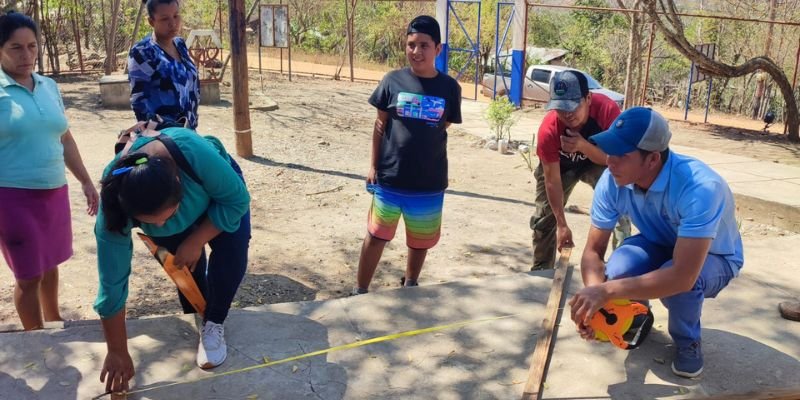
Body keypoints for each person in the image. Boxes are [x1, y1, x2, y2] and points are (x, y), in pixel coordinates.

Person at [568, 107, 743, 378]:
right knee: (618, 269)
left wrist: (607, 292)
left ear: (652, 159)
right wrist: (597, 301)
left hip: (716, 257)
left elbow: (683, 276)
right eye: (610, 151)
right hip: (660, 242)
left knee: (682, 286)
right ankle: (635, 317)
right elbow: (593, 250)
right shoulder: (613, 179)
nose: (610, 161)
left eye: (621, 155)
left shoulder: (700, 187)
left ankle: (688, 343)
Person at [94, 123, 250, 393]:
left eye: (170, 215)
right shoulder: (113, 207)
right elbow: (112, 282)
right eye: (152, 223)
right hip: (167, 199)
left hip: (221, 196)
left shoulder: (192, 152)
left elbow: (237, 200)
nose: (164, 225)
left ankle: (214, 321)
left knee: (232, 249)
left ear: (179, 184)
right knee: (184, 268)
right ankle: (199, 316)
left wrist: (196, 239)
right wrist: (117, 350)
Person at [0, 11, 98, 330]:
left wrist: (84, 180)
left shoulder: (48, 86)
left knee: (51, 261)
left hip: (54, 191)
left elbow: (64, 137)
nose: (27, 55)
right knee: (29, 275)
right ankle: (35, 340)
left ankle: (54, 322)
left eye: (32, 46)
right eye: (16, 47)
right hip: (11, 196)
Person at [352, 15, 462, 295]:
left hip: (430, 182)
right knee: (376, 236)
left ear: (438, 49)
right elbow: (380, 125)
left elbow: (444, 124)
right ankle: (360, 291)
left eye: (424, 45)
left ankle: (411, 285)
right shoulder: (392, 81)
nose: (416, 51)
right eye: (411, 45)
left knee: (419, 240)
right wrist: (373, 166)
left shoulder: (450, 88)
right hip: (390, 179)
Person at [531, 70, 630, 270]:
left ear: (588, 98)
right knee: (544, 217)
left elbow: (619, 161)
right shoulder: (549, 130)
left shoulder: (607, 113)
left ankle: (623, 269)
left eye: (573, 106)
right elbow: (552, 180)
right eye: (560, 108)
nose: (567, 114)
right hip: (562, 166)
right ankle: (542, 270)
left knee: (621, 205)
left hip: (599, 162)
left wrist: (583, 146)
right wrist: (562, 224)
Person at [128, 0, 199, 129]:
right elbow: (139, 103)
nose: (173, 23)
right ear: (151, 22)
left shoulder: (180, 45)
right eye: (164, 19)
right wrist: (164, 135)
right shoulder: (143, 52)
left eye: (176, 16)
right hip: (163, 137)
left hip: (189, 133)